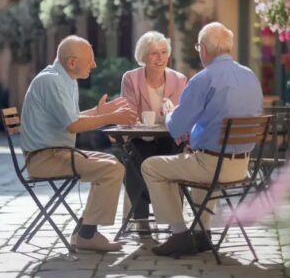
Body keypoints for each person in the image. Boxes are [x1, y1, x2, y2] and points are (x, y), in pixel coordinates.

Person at [141, 22, 263, 257]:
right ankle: (201, 233)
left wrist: (169, 113)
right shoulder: (250, 76)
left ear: (204, 49)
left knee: (151, 166)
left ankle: (179, 234)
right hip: (242, 167)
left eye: (198, 46)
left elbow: (177, 127)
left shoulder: (203, 79)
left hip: (212, 166)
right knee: (202, 155)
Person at [21, 35, 137, 252]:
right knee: (111, 169)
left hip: (54, 154)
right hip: (45, 159)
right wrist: (111, 118)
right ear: (72, 62)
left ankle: (86, 231)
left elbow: (69, 118)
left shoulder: (63, 78)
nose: (94, 64)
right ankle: (87, 234)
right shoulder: (53, 81)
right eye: (90, 59)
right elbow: (74, 125)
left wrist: (99, 111)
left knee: (111, 162)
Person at [119, 31, 187, 229]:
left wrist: (171, 114)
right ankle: (141, 219)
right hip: (140, 137)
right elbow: (128, 113)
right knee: (135, 160)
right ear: (143, 56)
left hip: (170, 138)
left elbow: (183, 116)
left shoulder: (179, 79)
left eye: (164, 52)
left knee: (169, 160)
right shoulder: (131, 78)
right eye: (154, 53)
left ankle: (173, 219)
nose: (160, 58)